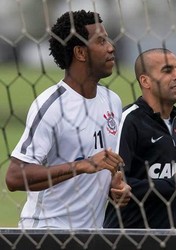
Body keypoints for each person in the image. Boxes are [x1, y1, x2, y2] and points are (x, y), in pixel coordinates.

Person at [5, 10, 131, 229]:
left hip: (92, 235)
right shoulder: (51, 107)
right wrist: (83, 165)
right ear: (81, 53)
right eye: (101, 41)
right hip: (46, 233)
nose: (111, 47)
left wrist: (117, 188)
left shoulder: (113, 101)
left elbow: (105, 165)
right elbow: (15, 177)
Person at [103, 48, 176, 229]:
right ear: (145, 81)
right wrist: (175, 185)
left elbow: (164, 173)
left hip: (167, 237)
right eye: (168, 70)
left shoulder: (173, 121)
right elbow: (117, 184)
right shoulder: (129, 121)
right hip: (128, 237)